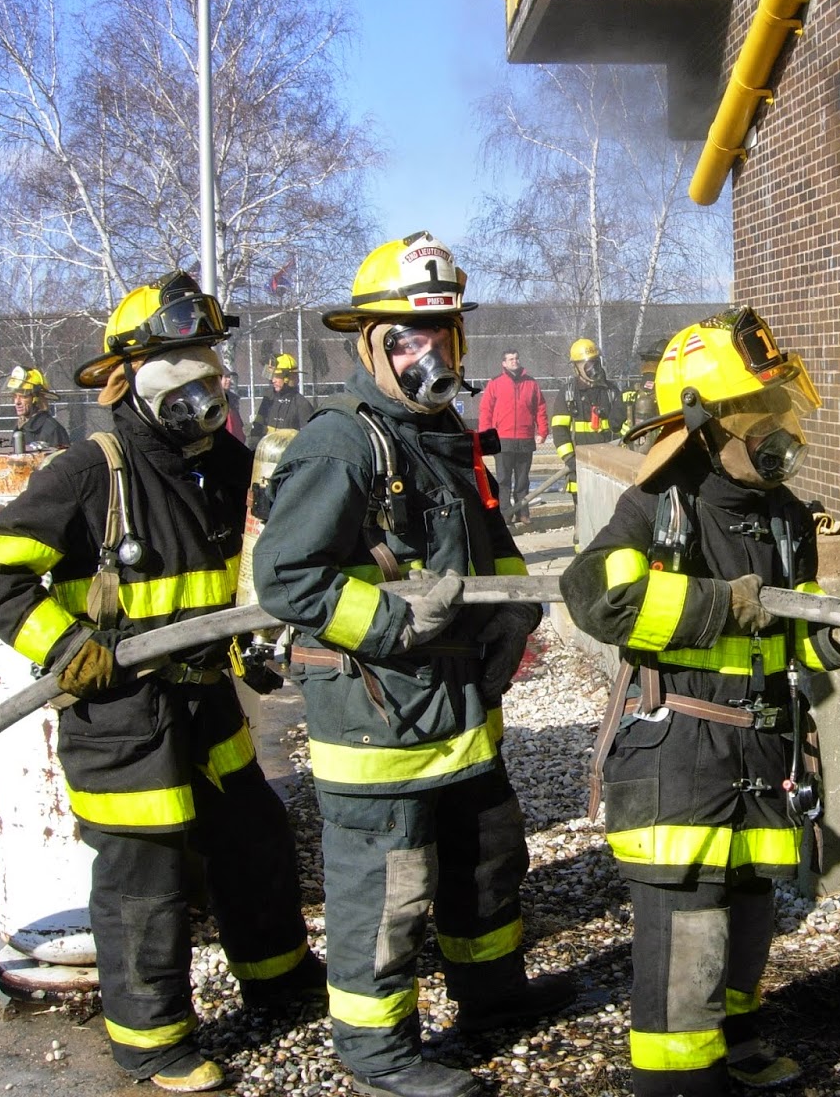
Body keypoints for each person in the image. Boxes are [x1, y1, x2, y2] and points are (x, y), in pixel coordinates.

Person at [0, 272, 321, 1093]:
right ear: (134, 379)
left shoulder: (220, 461)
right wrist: (65, 647)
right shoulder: (93, 472)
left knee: (253, 837)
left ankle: (276, 978)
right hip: (122, 714)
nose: (204, 384)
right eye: (181, 366)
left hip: (205, 701)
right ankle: (151, 1040)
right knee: (143, 879)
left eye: (208, 364)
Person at [251, 231, 575, 1097]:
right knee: (389, 889)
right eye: (404, 338)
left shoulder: (444, 436)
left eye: (438, 336)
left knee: (488, 860)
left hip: (464, 716)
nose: (425, 353)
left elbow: (494, 549)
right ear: (370, 345)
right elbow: (286, 576)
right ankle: (378, 1050)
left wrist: (515, 611)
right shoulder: (345, 445)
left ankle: (492, 999)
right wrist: (390, 620)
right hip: (381, 719)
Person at [561, 307, 840, 1097]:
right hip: (682, 746)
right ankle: (679, 1080)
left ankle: (733, 1040)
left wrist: (839, 639)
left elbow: (796, 642)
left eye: (778, 408)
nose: (776, 428)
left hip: (761, 748)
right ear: (705, 425)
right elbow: (593, 597)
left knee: (747, 912)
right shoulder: (659, 503)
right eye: (756, 413)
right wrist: (716, 604)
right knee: (690, 922)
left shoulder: (782, 519)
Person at [549, 338, 623, 505]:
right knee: (583, 520)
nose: (592, 368)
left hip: (608, 466)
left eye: (594, 362)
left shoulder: (611, 392)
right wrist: (570, 458)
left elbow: (623, 427)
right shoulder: (568, 394)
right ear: (576, 367)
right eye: (585, 364)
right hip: (579, 469)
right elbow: (559, 431)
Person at [478, 348, 547, 527]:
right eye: (510, 359)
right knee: (503, 480)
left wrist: (543, 431)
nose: (514, 361)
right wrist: (485, 436)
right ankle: (505, 514)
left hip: (525, 439)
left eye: (516, 358)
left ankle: (522, 513)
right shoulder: (495, 383)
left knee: (523, 481)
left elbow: (540, 408)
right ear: (504, 363)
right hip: (503, 440)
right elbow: (486, 410)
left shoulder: (531, 383)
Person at [251, 352, 314, 440]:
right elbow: (257, 425)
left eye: (277, 376)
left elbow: (309, 438)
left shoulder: (301, 404)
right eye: (272, 376)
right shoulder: (269, 398)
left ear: (288, 378)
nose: (273, 380)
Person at [622, 336, 669, 454]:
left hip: (631, 450)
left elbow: (614, 424)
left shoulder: (630, 391)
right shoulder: (671, 390)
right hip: (664, 450)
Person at [7, 365, 70, 448]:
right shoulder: (20, 428)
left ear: (37, 399)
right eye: (15, 396)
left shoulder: (52, 430)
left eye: (23, 396)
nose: (17, 402)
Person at [222, 368, 246, 444]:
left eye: (229, 377)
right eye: (225, 377)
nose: (229, 379)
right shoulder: (212, 402)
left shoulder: (232, 399)